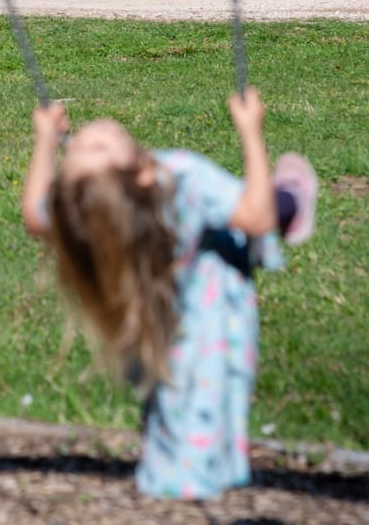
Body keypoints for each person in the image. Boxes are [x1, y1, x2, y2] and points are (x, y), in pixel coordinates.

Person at [22, 87, 317, 501]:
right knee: (195, 393)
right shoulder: (181, 177)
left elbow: (36, 215)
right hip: (208, 298)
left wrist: (46, 142)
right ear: (141, 171)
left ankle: (174, 475)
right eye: (95, 146)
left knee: (173, 393)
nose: (89, 134)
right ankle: (294, 201)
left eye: (82, 147)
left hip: (161, 296)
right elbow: (256, 216)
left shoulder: (83, 212)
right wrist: (251, 131)